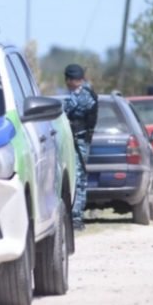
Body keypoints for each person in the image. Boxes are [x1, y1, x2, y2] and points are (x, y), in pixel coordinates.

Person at [63, 64, 98, 231]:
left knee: (78, 178)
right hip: (72, 139)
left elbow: (71, 109)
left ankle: (77, 217)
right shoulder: (75, 94)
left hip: (79, 140)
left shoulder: (84, 95)